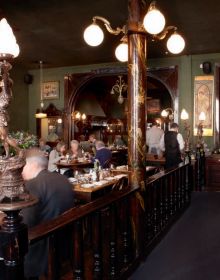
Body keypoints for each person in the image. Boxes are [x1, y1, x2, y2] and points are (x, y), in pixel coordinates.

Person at [21, 148, 74, 279]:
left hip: (40, 250)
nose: (21, 171)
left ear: (32, 165)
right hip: (64, 242)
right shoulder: (63, 179)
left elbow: (25, 222)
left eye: (23, 166)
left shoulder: (33, 184)